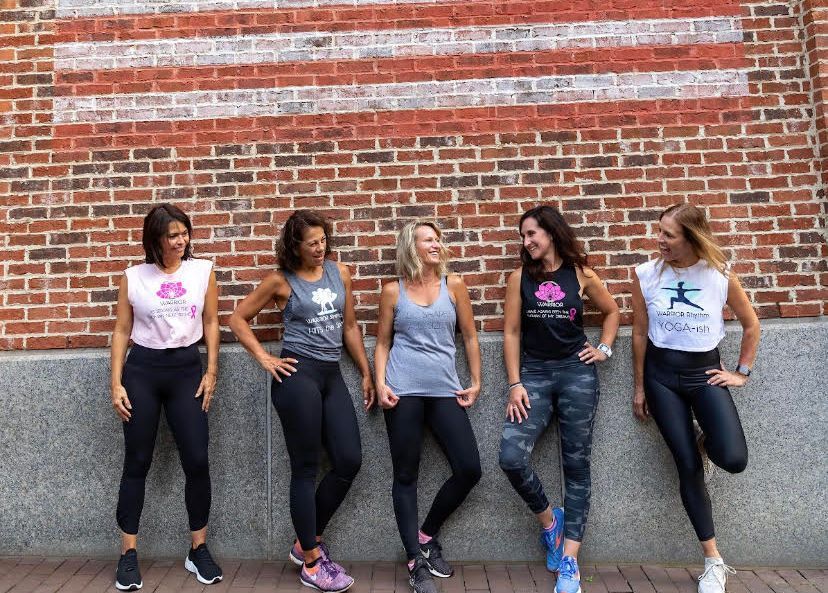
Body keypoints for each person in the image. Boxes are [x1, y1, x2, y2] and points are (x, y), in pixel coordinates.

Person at [228, 210, 374, 593]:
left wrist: (365, 372)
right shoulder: (281, 281)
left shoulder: (339, 273)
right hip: (297, 376)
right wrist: (265, 358)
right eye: (312, 243)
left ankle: (303, 540)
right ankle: (311, 561)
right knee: (305, 469)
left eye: (323, 240)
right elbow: (238, 318)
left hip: (331, 374)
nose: (319, 247)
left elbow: (350, 326)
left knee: (349, 460)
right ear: (294, 246)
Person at [631, 203, 759, 593]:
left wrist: (741, 373)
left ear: (691, 237)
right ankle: (713, 561)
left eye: (668, 234)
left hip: (706, 375)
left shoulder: (718, 275)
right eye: (660, 232)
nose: (660, 240)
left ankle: (705, 439)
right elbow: (639, 332)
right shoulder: (646, 275)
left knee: (734, 459)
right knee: (687, 465)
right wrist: (639, 386)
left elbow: (751, 325)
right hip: (661, 378)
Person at [498, 205, 619, 593]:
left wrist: (604, 348)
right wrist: (514, 383)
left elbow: (613, 311)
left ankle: (569, 562)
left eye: (532, 233)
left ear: (551, 232)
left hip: (576, 373)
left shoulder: (581, 274)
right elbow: (512, 333)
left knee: (576, 463)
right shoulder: (519, 278)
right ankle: (551, 524)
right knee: (511, 457)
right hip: (533, 374)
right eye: (523, 236)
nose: (527, 241)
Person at [110, 203, 223, 591]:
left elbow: (210, 321)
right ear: (155, 239)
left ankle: (198, 549)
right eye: (173, 235)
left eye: (184, 233)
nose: (181, 241)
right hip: (142, 371)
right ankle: (128, 553)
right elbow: (122, 331)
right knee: (137, 461)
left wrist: (211, 372)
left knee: (197, 458)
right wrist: (116, 383)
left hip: (187, 371)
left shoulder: (202, 271)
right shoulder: (134, 277)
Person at [374, 221, 483, 593]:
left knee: (469, 467)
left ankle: (426, 534)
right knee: (406, 476)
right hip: (402, 391)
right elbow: (383, 343)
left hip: (445, 391)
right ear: (412, 247)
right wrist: (380, 381)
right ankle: (414, 561)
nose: (436, 244)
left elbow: (469, 335)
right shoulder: (393, 291)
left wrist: (476, 380)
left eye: (438, 239)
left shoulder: (454, 286)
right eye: (428, 240)